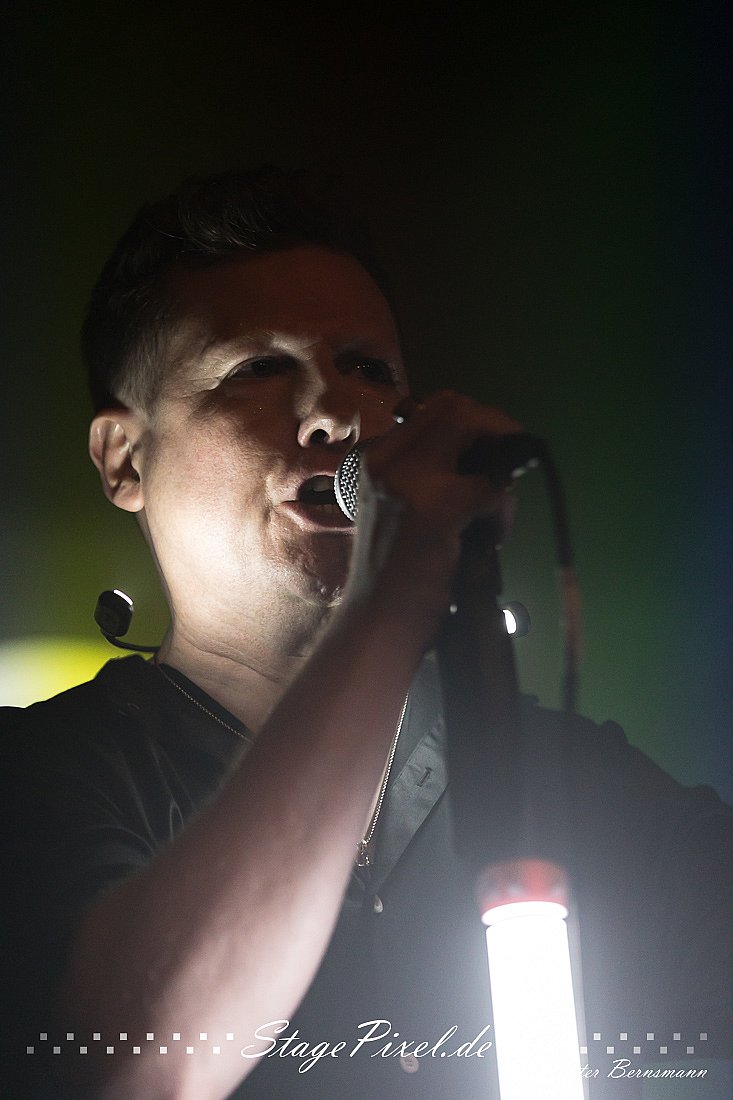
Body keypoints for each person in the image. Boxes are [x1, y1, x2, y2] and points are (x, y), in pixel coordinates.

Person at [2, 168, 731, 1100]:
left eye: (369, 370)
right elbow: (135, 1064)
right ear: (124, 458)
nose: (336, 412)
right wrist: (387, 601)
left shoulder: (556, 771)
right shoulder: (44, 773)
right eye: (259, 368)